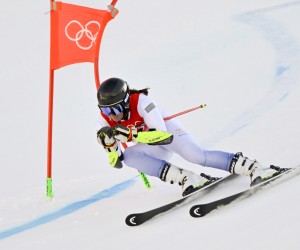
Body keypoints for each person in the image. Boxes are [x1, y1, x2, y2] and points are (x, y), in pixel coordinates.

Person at [96, 77, 281, 196]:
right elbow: (118, 162)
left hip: (168, 133)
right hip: (152, 147)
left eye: (115, 108)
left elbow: (163, 137)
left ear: (126, 103)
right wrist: (110, 148)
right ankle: (188, 178)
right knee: (130, 157)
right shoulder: (103, 120)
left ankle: (255, 167)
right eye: (105, 109)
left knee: (197, 156)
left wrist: (131, 133)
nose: (111, 114)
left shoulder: (143, 102)